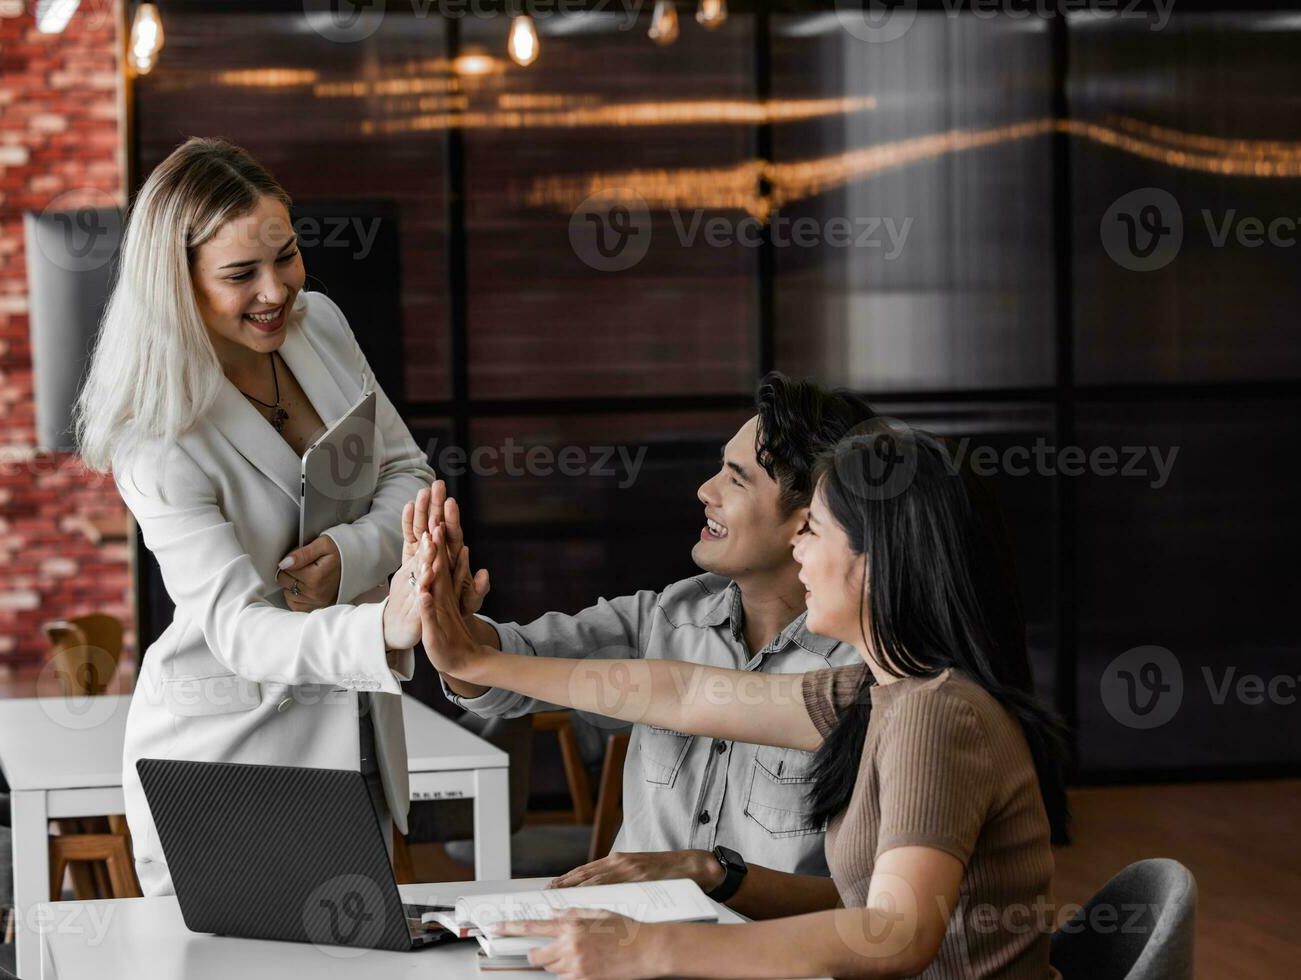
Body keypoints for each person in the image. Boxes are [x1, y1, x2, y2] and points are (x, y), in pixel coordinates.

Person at [408, 422, 1069, 979]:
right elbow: (685, 692)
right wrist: (475, 658)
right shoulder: (880, 693)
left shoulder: (939, 714)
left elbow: (895, 931)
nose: (796, 547)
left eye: (813, 528)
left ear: (876, 560)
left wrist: (651, 947)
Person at [75, 137, 440, 896]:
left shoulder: (323, 326)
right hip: (220, 764)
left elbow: (408, 472)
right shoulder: (156, 436)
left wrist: (352, 550)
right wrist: (384, 627)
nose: (278, 290)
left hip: (354, 741)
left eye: (288, 255)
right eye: (241, 274)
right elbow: (238, 630)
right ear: (177, 285)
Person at [430, 374, 874, 919]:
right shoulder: (668, 613)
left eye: (735, 480)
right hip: (621, 944)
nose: (704, 491)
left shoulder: (866, 670)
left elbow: (863, 905)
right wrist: (449, 622)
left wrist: (710, 873)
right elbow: (508, 669)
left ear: (808, 521)